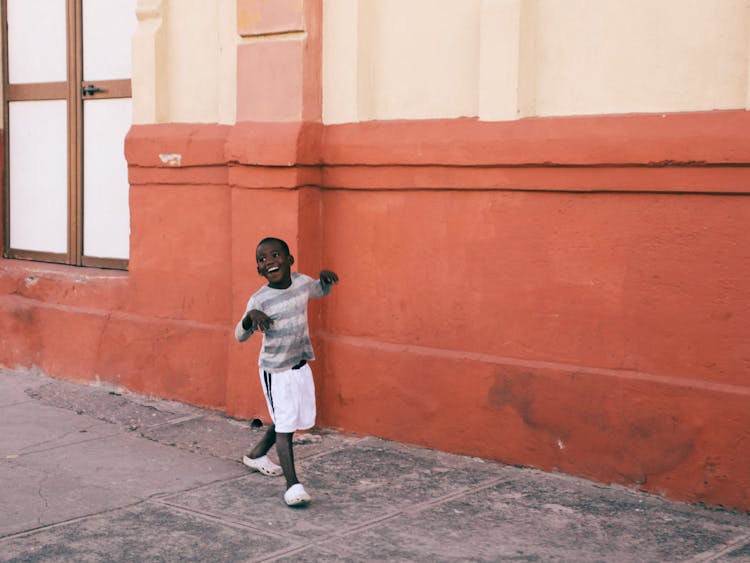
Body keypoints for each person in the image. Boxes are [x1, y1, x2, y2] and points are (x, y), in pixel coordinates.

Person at [234, 237, 339, 507]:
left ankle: (257, 453)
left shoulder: (301, 282)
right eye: (262, 259)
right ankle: (293, 485)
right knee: (285, 425)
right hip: (275, 370)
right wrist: (251, 317)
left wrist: (325, 282)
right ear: (259, 270)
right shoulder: (260, 299)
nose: (269, 261)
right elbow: (239, 335)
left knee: (288, 417)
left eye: (276, 255)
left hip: (299, 364)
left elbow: (317, 291)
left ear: (290, 260)